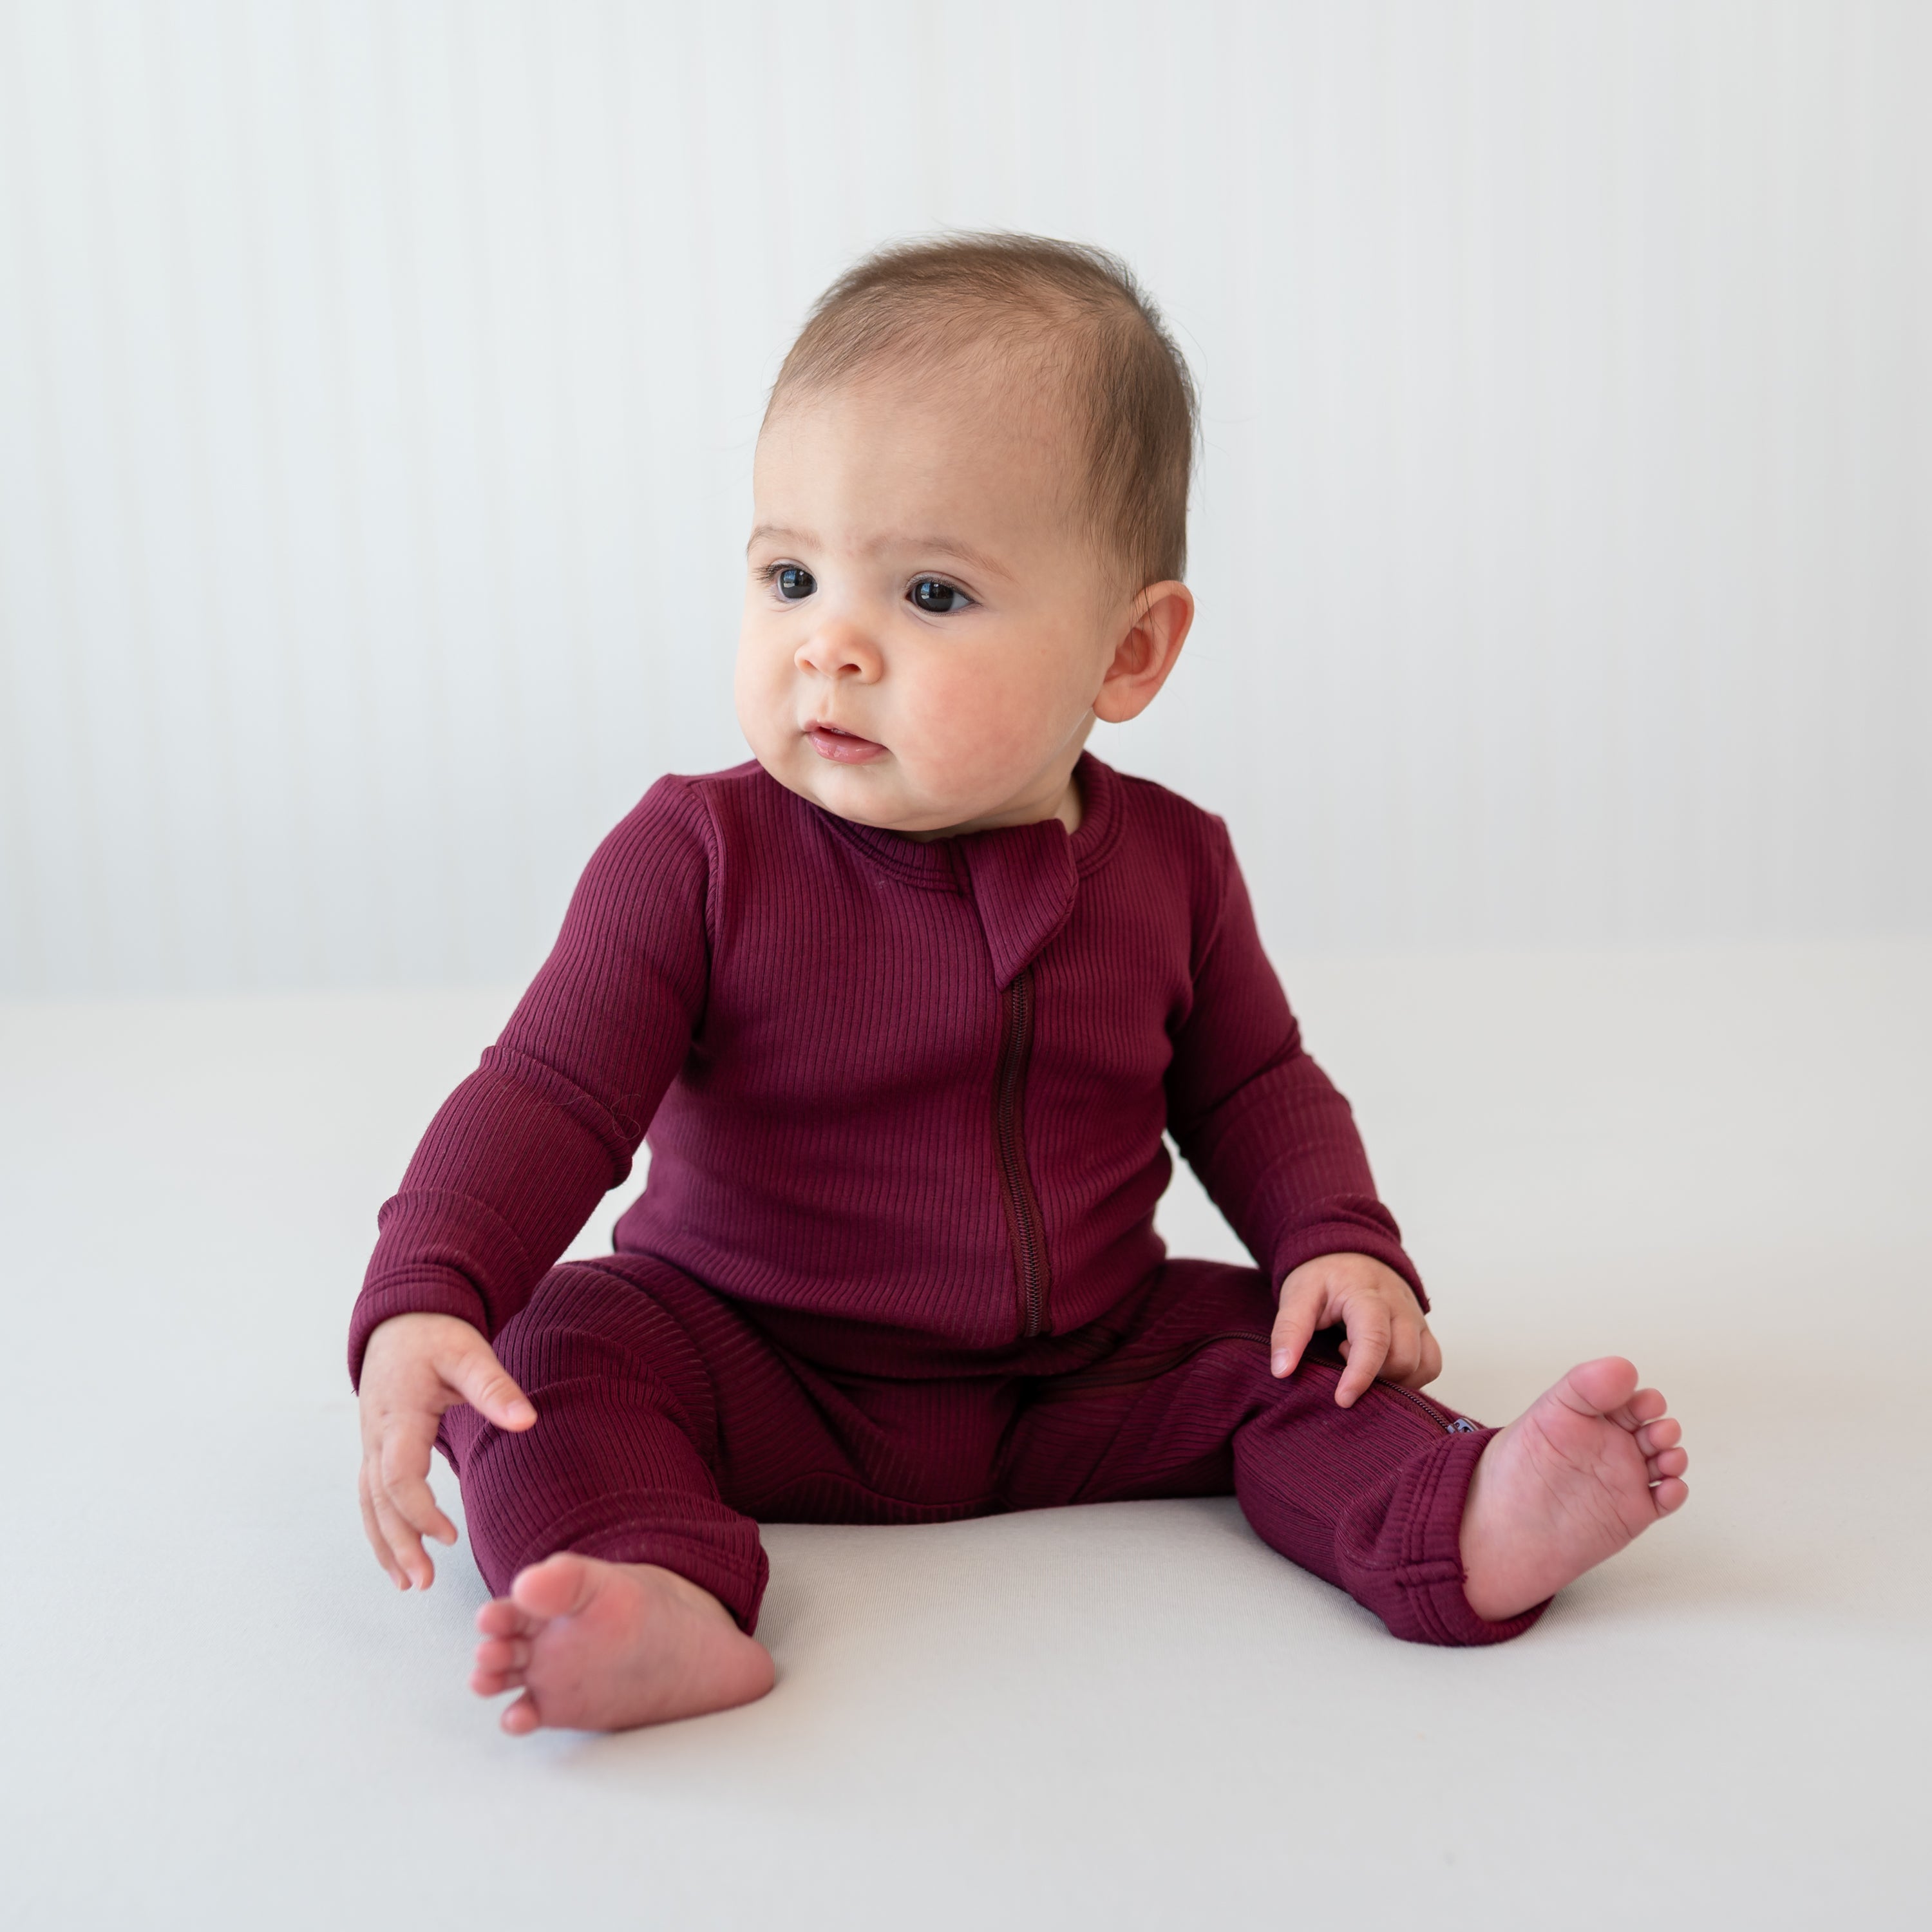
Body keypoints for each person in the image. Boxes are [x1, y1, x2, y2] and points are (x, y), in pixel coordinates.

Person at [350, 234, 1689, 1736]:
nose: (831, 646)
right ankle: (647, 1588)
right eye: (790, 574)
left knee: (1288, 1352)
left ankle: (1460, 1522)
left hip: (1089, 1366)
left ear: (1130, 650)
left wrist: (1339, 1244)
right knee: (546, 1353)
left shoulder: (1174, 865)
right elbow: (546, 1093)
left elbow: (1256, 1084)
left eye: (930, 592)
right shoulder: (696, 855)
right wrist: (429, 1294)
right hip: (749, 1354)